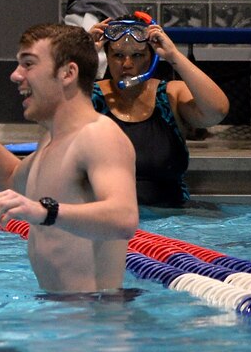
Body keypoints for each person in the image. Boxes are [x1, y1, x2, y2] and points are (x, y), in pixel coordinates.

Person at [0, 23, 139, 293]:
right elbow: (8, 180)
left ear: (67, 73)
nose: (15, 75)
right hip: (59, 315)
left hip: (95, 321)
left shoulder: (99, 135)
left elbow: (124, 218)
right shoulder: (52, 139)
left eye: (28, 64)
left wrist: (44, 211)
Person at [87, 13, 230, 208]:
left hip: (170, 222)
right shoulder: (88, 96)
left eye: (137, 55)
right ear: (107, 57)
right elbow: (53, 114)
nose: (127, 64)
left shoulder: (170, 95)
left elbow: (217, 111)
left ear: (152, 57)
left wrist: (173, 55)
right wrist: (83, 58)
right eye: (118, 55)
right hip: (106, 220)